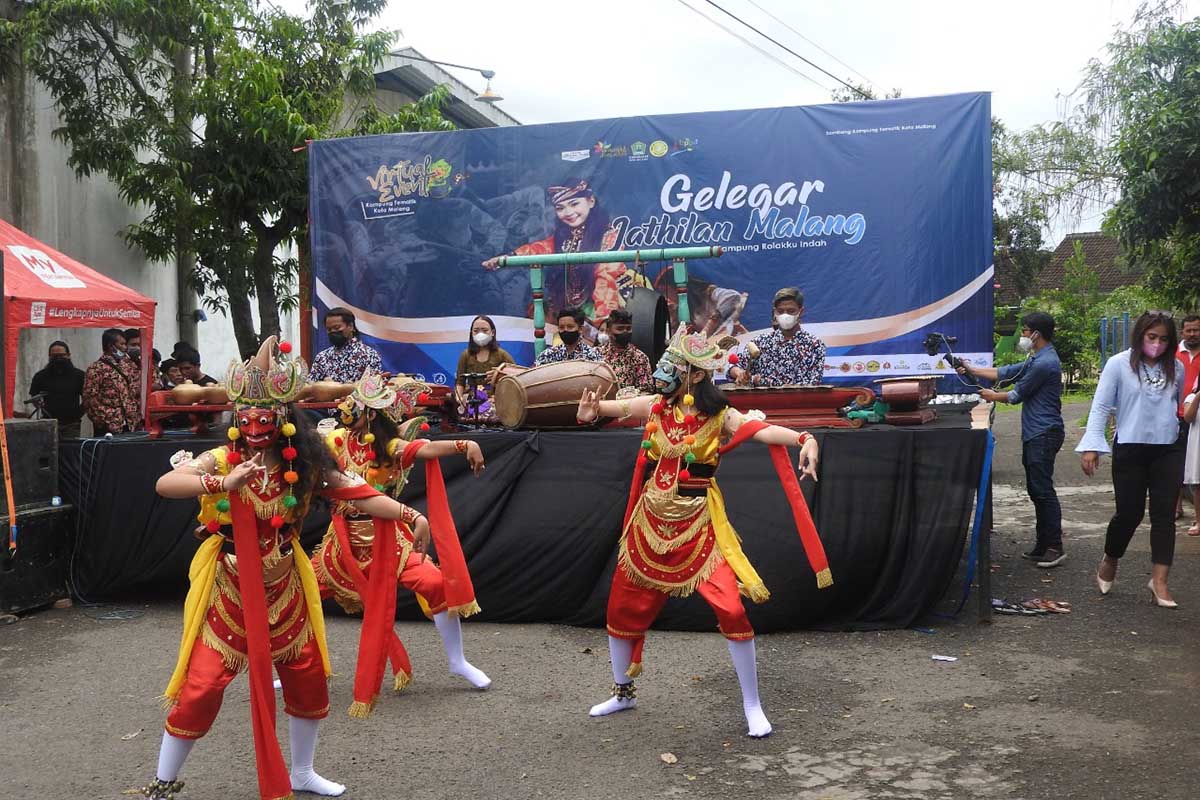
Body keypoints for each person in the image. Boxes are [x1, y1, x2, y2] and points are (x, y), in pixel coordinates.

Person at [142, 337, 424, 800]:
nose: (254, 427)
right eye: (246, 419)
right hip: (231, 588)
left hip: (286, 586)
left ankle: (302, 773)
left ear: (284, 419)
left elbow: (356, 491)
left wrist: (410, 515)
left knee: (307, 676)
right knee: (204, 685)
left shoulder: (307, 465)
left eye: (264, 419)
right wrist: (222, 481)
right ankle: (163, 782)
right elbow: (166, 482)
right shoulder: (222, 459)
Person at [575, 325, 832, 739]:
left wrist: (805, 438)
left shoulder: (719, 416)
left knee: (731, 608)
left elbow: (760, 430)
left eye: (669, 367)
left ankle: (752, 704)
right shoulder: (657, 407)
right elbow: (610, 410)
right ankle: (623, 692)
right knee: (621, 608)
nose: (661, 375)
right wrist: (592, 411)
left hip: (698, 526)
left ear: (694, 376)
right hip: (648, 524)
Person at [313, 372, 491, 715]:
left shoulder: (390, 448)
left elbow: (425, 449)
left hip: (388, 541)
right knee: (303, 596)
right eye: (350, 401)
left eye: (356, 405)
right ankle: (296, 665)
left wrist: (464, 444)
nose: (347, 408)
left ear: (371, 416)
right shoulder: (334, 440)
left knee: (436, 584)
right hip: (342, 546)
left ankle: (458, 661)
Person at [1078, 311, 1187, 608]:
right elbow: (1101, 406)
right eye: (1152, 337)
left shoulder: (1175, 367)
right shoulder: (1118, 365)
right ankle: (1110, 558)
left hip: (1168, 448)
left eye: (1164, 339)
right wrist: (1092, 445)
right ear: (1140, 336)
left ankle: (1160, 581)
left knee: (1164, 516)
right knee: (1129, 513)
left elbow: (1176, 407)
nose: (1157, 344)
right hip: (1130, 447)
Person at [959, 312, 1065, 567]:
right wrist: (972, 369)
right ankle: (1043, 544)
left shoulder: (1044, 363)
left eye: (1026, 331)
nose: (1023, 335)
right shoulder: (1036, 357)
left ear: (1037, 334)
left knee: (1043, 491)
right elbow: (1006, 371)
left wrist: (991, 396)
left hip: (1044, 432)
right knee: (1036, 490)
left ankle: (1054, 546)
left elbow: (1016, 395)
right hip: (1037, 433)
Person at [482, 180, 633, 325]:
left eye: (574, 204)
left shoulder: (609, 236)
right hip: (571, 308)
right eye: (560, 208)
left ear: (591, 201)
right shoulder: (563, 236)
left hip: (603, 304)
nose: (568, 212)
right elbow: (541, 248)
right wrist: (509, 257)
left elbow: (606, 279)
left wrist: (604, 322)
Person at [728, 287, 826, 387]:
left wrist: (762, 381)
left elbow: (814, 383)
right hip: (763, 401)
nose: (785, 315)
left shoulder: (814, 345)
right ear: (775, 312)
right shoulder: (760, 342)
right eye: (780, 311)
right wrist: (739, 373)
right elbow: (733, 367)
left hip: (799, 401)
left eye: (791, 311)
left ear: (801, 312)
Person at [454, 315, 515, 421]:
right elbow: (460, 382)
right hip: (471, 400)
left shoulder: (502, 355)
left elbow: (515, 379)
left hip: (495, 401)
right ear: (471, 333)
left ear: (493, 332)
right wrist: (459, 400)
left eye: (484, 330)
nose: (480, 334)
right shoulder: (465, 355)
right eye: (476, 331)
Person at [82, 327, 141, 435]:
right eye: (122, 344)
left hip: (130, 425)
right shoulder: (96, 369)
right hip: (109, 427)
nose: (125, 348)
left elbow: (135, 391)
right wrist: (105, 420)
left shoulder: (128, 366)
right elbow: (89, 399)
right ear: (111, 346)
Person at [29, 340, 86, 438]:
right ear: (49, 357)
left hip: (72, 425)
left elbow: (88, 398)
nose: (58, 359)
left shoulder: (80, 375)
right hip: (48, 425)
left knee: (71, 452)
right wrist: (38, 403)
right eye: (54, 356)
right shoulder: (40, 376)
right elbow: (34, 395)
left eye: (61, 355)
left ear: (68, 355)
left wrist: (78, 414)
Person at [310, 307, 382, 383]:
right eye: (329, 329)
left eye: (337, 327)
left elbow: (373, 387)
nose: (333, 331)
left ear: (350, 326)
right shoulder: (322, 357)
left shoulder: (369, 355)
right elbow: (311, 386)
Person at [1175, 314, 1200, 526]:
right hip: (1176, 416)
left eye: (1196, 330)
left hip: (1199, 419)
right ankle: (1176, 506)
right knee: (1175, 463)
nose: (1192, 334)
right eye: (1188, 330)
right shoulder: (1173, 354)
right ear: (1182, 332)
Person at [598, 308, 654, 394]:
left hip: (629, 405)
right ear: (609, 331)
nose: (625, 332)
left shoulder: (639, 357)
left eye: (628, 328)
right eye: (620, 329)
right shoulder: (597, 354)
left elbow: (646, 391)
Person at [534, 307, 603, 366]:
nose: (565, 330)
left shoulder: (592, 356)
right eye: (561, 327)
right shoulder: (548, 355)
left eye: (570, 327)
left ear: (580, 329)